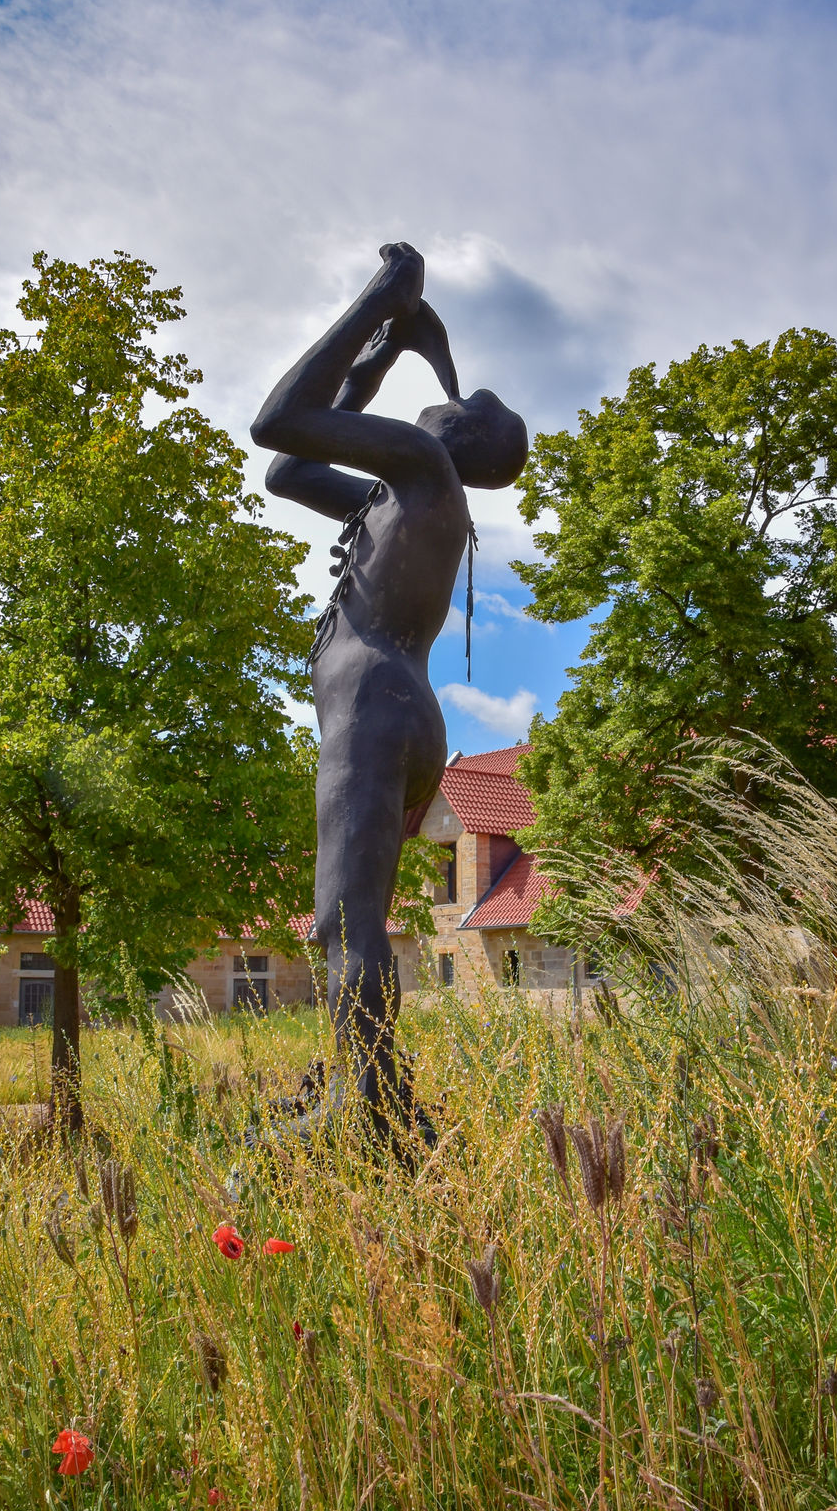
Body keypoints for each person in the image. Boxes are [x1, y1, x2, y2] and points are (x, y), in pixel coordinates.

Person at [251, 243, 528, 1127]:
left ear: (462, 441)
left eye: (469, 404)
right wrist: (377, 360)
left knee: (343, 923)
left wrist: (381, 301)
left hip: (373, 706)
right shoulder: (398, 497)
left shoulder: (420, 467)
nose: (454, 394)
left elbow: (277, 419)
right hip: (394, 707)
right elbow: (289, 469)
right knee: (350, 919)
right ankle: (360, 1088)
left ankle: (364, 1108)